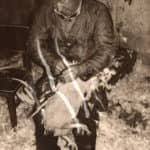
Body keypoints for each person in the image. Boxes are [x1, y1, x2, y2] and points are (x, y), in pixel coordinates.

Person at [21, 0, 116, 149]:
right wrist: (53, 62)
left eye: (63, 1)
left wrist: (80, 69)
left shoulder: (98, 11)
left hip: (88, 75)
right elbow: (33, 44)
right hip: (55, 75)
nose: (57, 5)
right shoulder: (46, 9)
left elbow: (107, 51)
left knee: (85, 117)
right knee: (43, 116)